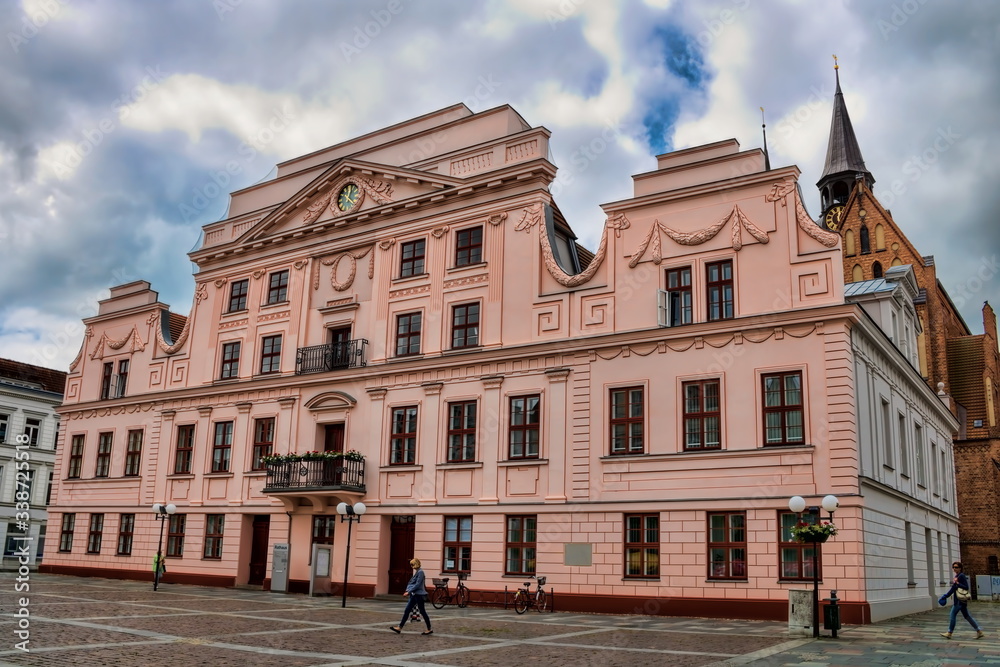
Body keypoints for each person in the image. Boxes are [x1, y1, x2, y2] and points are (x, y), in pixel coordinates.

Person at [939, 561, 985, 639]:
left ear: (960, 568)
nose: (954, 568)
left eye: (956, 567)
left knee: (952, 614)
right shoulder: (957, 576)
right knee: (967, 616)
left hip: (959, 601)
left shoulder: (961, 576)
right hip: (960, 601)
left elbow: (966, 587)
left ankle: (949, 632)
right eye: (953, 567)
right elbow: (953, 588)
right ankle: (979, 631)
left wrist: (957, 584)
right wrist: (946, 595)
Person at [390, 557, 433, 635]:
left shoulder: (420, 572)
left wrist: (408, 592)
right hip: (415, 595)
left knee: (422, 611)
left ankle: (429, 629)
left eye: (412, 564)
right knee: (408, 610)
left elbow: (417, 584)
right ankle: (399, 627)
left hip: (418, 595)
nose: (411, 566)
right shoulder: (418, 572)